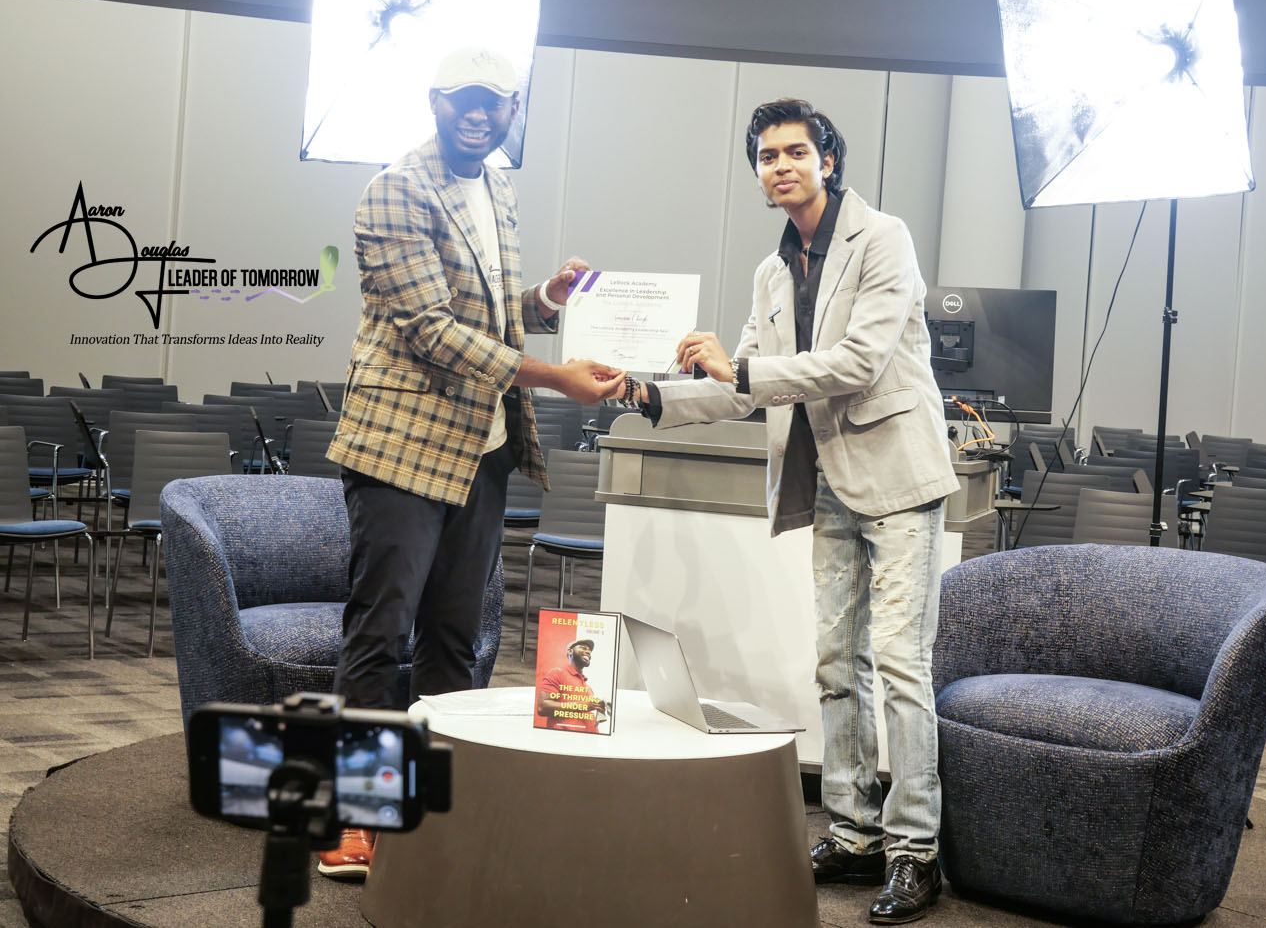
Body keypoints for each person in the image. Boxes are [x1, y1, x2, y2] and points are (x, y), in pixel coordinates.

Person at [627, 98, 958, 924]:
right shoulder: (772, 272)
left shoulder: (884, 238)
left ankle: (916, 850)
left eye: (796, 151)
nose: (781, 165)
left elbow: (854, 363)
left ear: (828, 161)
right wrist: (652, 394)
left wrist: (737, 372)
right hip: (827, 481)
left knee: (901, 664)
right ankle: (854, 833)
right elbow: (739, 388)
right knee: (835, 662)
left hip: (899, 477)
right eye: (767, 155)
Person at [318, 47, 626, 880]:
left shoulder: (498, 188)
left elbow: (485, 313)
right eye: (463, 100)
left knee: (459, 640)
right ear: (434, 101)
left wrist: (546, 303)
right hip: (400, 451)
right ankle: (357, 814)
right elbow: (430, 330)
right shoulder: (394, 189)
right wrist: (556, 376)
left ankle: (433, 811)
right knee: (380, 633)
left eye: (493, 102)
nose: (478, 114)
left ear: (513, 108)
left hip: (481, 447)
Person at [535, 638, 609, 732]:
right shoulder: (557, 673)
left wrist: (596, 706)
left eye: (589, 651)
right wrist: (581, 706)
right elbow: (542, 707)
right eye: (583, 648)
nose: (588, 651)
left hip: (588, 741)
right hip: (564, 739)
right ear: (570, 651)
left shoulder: (588, 688)